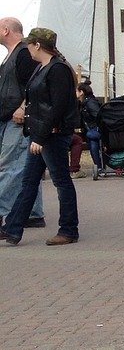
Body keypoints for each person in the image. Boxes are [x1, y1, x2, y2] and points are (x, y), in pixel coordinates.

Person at [0, 28, 80, 246]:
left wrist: (41, 137)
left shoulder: (57, 70)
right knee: (29, 182)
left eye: (30, 44)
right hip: (41, 134)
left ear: (37, 45)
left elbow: (58, 107)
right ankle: (12, 229)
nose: (27, 48)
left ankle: (69, 229)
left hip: (52, 135)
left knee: (61, 181)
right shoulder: (42, 69)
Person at [0, 17, 45, 229]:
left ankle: (3, 211)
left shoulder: (24, 54)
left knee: (10, 166)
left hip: (17, 119)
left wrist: (23, 107)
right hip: (10, 117)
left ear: (6, 30)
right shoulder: (13, 54)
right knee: (26, 166)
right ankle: (33, 212)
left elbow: (35, 82)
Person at [77, 80, 103, 171]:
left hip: (95, 129)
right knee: (91, 140)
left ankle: (98, 166)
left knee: (92, 139)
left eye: (76, 91)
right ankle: (98, 166)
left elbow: (98, 116)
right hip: (90, 130)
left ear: (81, 92)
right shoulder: (83, 103)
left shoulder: (90, 103)